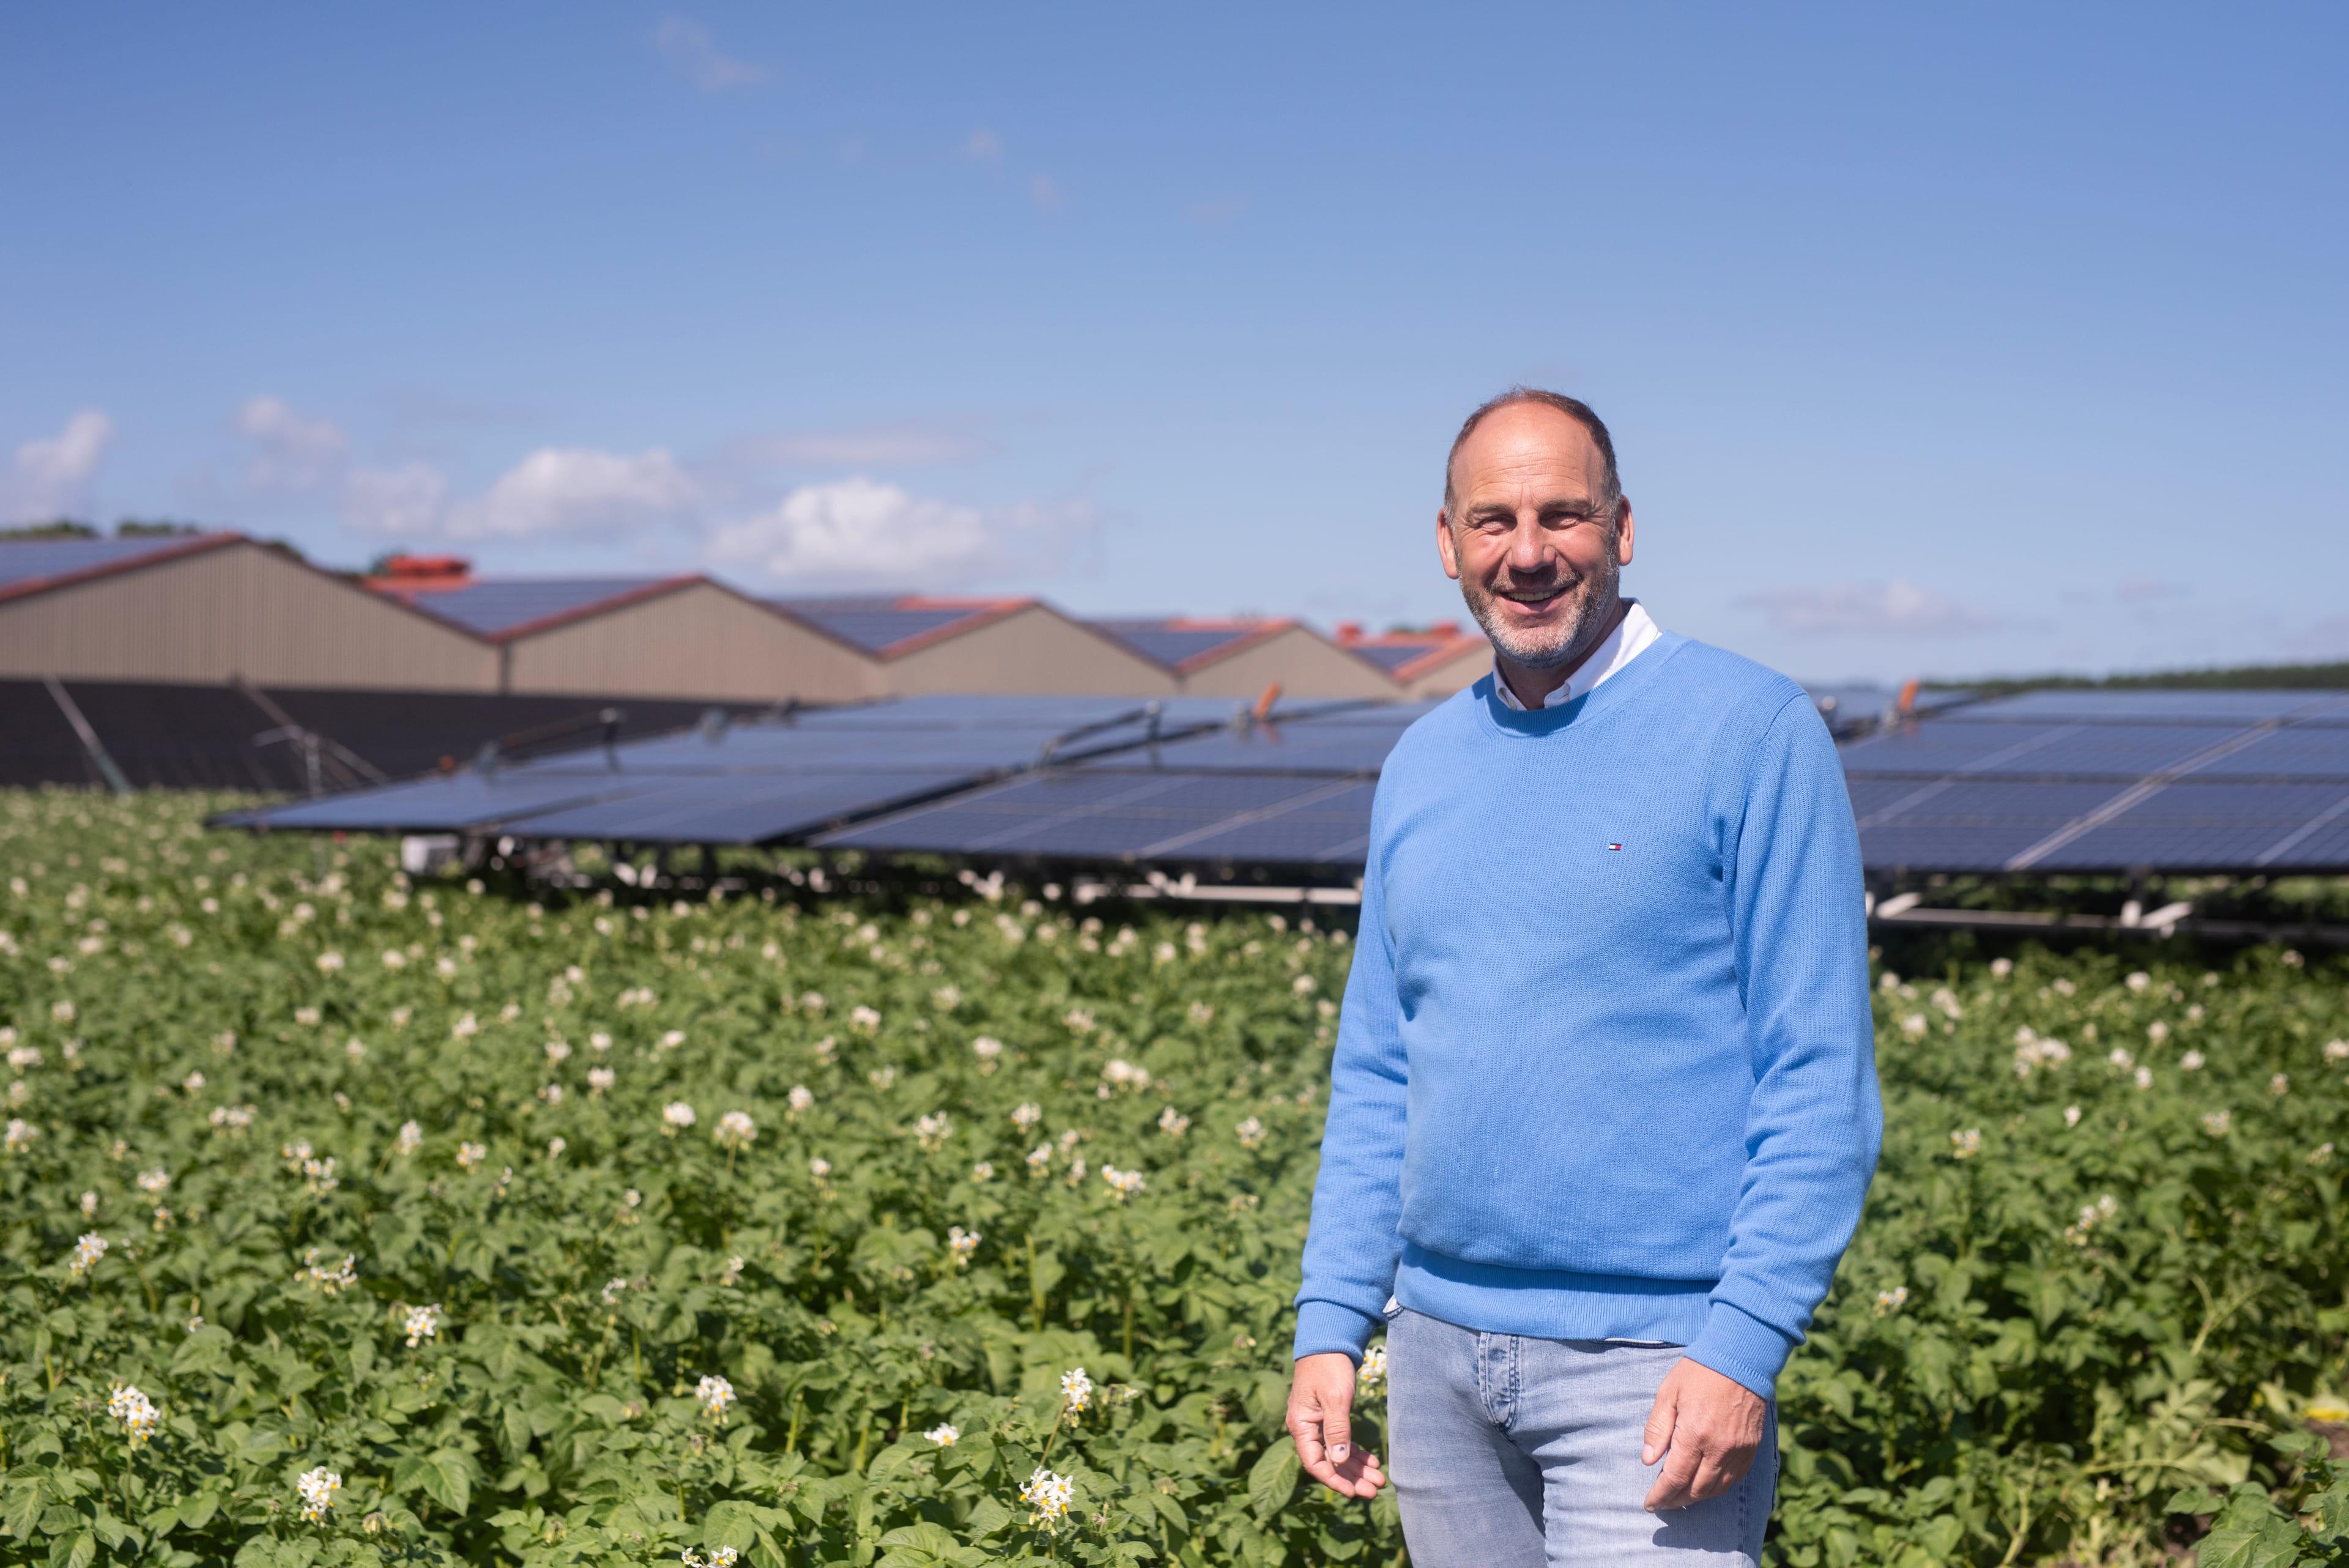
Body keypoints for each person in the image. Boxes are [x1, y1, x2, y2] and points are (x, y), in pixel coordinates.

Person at [1285, 389, 1881, 1565]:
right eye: (1493, 519)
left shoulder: (1751, 731)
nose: (1529, 552)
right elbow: (1378, 1067)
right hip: (1439, 1355)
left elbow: (1819, 1077)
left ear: (1620, 526)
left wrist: (1742, 1343)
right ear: (1448, 542)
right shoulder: (1421, 763)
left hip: (1654, 1374)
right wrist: (1331, 1320)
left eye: (1564, 515)